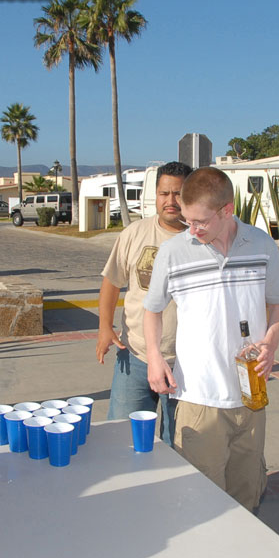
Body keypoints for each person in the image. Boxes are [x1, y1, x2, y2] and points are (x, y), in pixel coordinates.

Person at [143, 167, 279, 510]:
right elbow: (151, 310)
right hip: (199, 399)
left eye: (200, 222)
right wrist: (155, 358)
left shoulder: (260, 243)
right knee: (201, 504)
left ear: (226, 210)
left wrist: (271, 344)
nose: (192, 230)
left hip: (251, 396)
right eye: (187, 221)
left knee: (247, 498)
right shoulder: (173, 252)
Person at [97, 161, 192, 445]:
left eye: (178, 193)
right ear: (155, 195)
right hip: (135, 356)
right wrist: (104, 327)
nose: (171, 201)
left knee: (179, 446)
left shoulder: (201, 239)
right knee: (124, 441)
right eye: (164, 193)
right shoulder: (134, 234)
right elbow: (111, 283)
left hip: (186, 364)